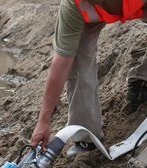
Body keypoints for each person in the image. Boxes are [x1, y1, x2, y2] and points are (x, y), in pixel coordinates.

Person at [30, 0, 147, 157]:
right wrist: (43, 121)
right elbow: (62, 65)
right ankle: (86, 135)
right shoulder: (74, 5)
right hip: (94, 16)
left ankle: (142, 78)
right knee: (77, 54)